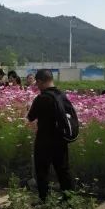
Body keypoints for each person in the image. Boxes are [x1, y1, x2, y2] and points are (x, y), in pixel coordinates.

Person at [27, 69, 74, 202]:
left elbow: (31, 117)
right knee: (63, 170)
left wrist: (29, 107)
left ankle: (44, 200)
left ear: (41, 81)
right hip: (61, 139)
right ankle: (69, 199)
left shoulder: (42, 98)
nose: (37, 86)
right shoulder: (62, 95)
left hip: (44, 140)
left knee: (42, 171)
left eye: (37, 83)